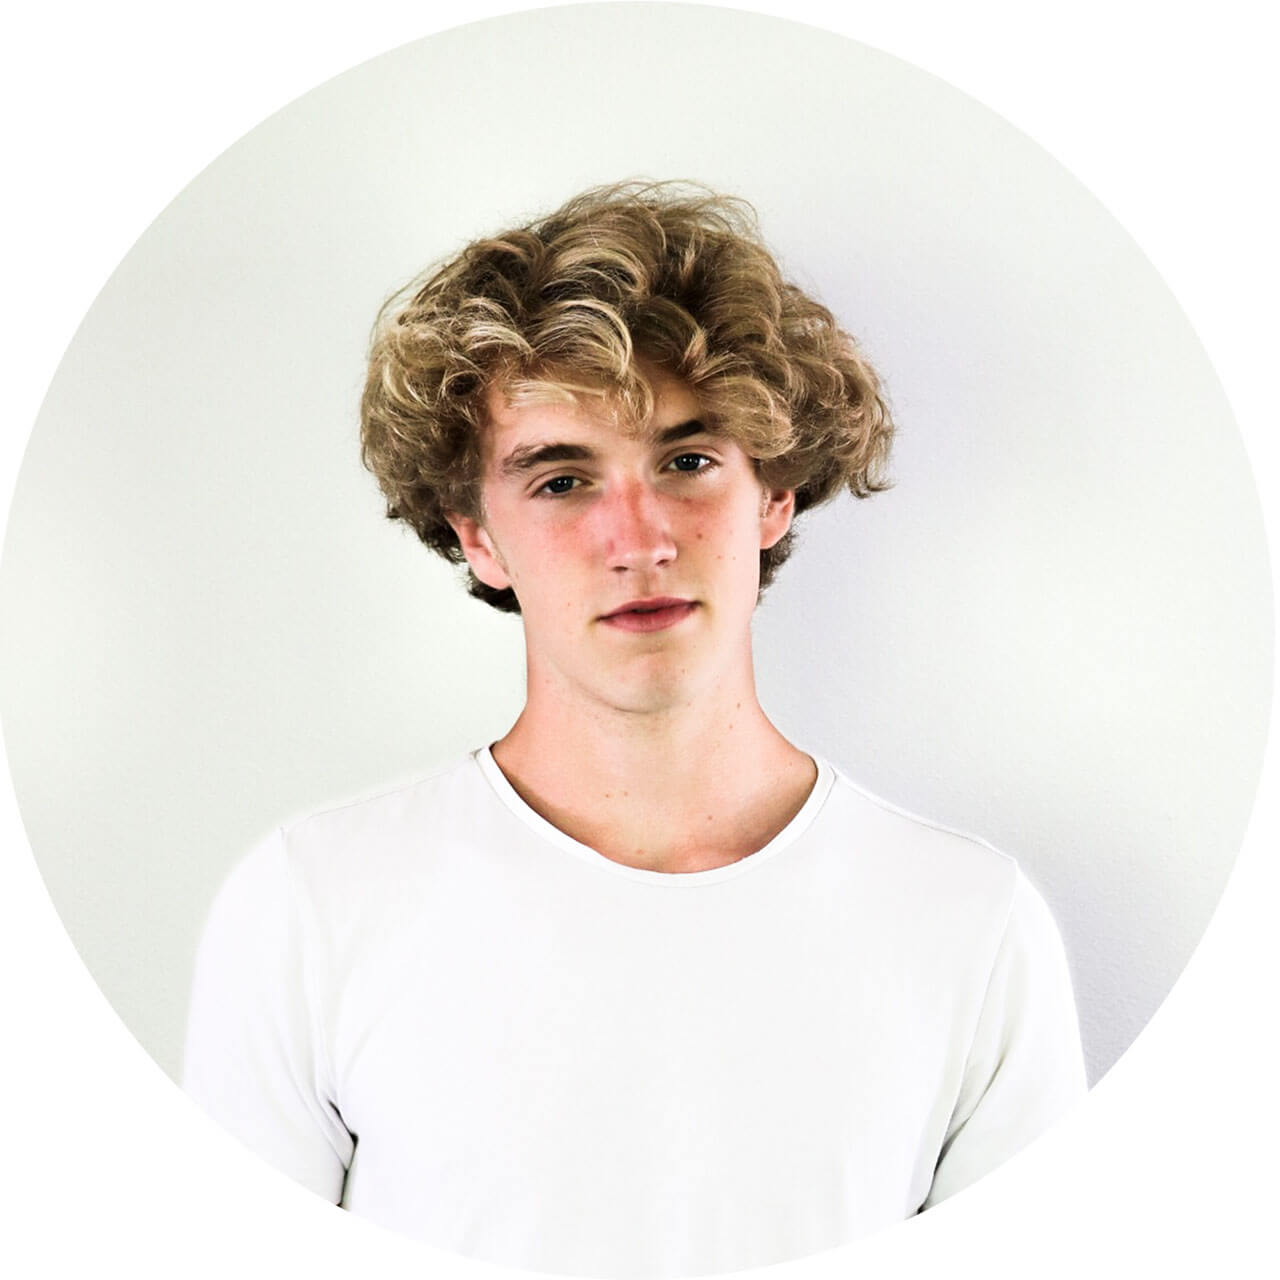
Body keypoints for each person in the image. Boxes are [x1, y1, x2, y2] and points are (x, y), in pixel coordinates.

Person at [183, 181, 1086, 1278]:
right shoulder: (311, 907)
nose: (639, 538)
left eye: (687, 461)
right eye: (563, 480)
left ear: (773, 495)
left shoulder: (969, 924)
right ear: (478, 537)